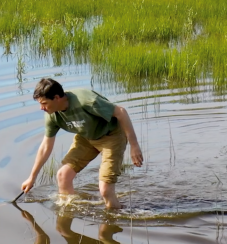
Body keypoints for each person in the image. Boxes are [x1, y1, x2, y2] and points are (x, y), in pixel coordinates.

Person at [21, 78, 143, 209]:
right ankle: (69, 211)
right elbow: (45, 146)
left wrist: (134, 145)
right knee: (63, 175)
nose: (41, 108)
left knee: (105, 190)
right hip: (86, 137)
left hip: (111, 136)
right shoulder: (52, 115)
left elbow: (121, 112)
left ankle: (113, 218)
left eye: (44, 103)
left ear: (56, 98)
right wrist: (32, 178)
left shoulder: (86, 101)